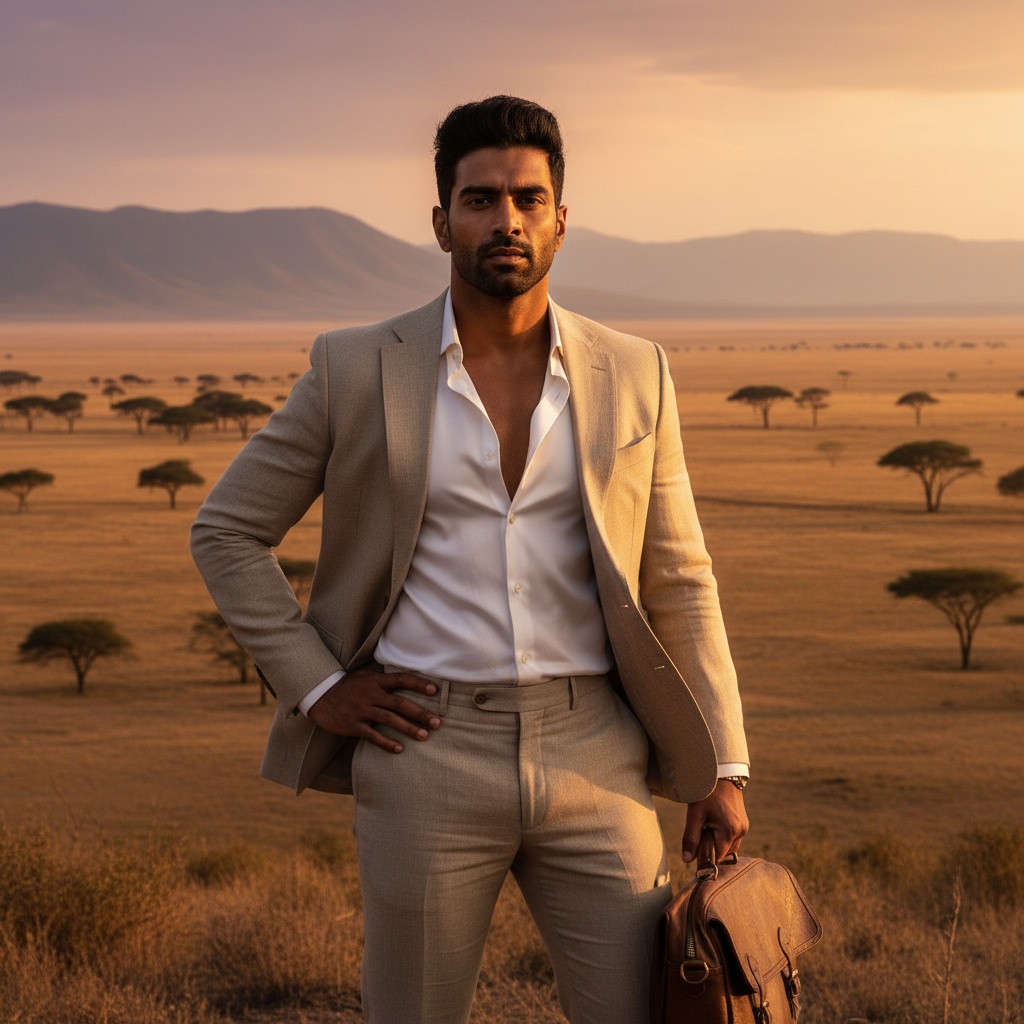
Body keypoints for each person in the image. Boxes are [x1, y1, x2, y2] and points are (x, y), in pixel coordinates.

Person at [191, 94, 748, 1024]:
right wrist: (321, 687)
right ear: (442, 219)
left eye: (529, 200)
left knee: (652, 1012)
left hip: (595, 750)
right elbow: (225, 530)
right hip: (424, 751)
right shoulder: (356, 366)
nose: (508, 221)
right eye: (482, 200)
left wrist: (723, 762)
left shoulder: (635, 370)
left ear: (563, 219)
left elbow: (681, 576)